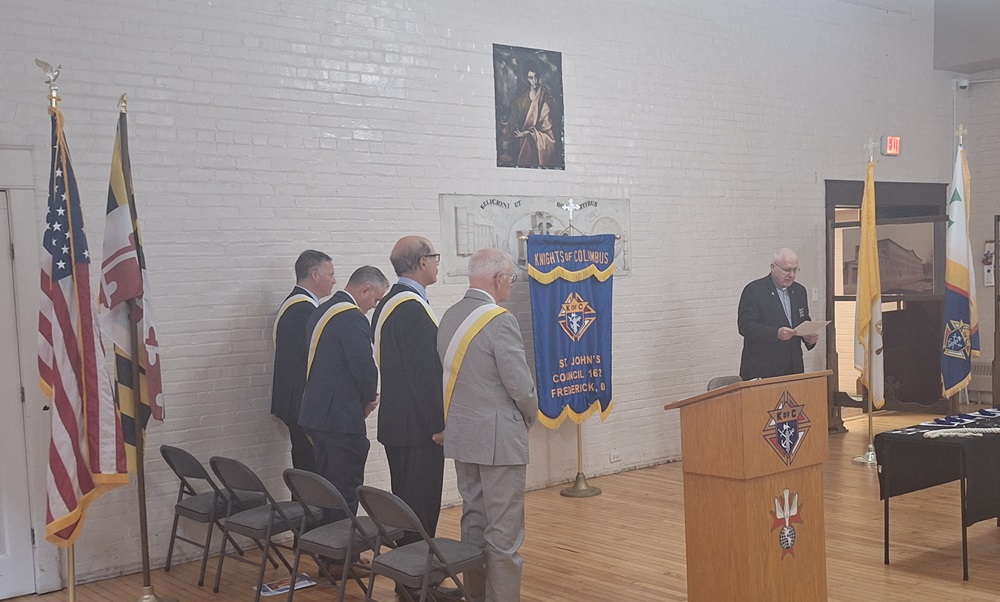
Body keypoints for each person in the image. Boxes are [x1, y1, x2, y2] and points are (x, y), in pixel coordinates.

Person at [437, 248, 538, 602]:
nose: (511, 284)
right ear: (498, 279)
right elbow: (520, 386)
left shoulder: (449, 316)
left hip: (463, 437)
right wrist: (530, 417)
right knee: (504, 534)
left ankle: (476, 595)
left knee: (474, 523)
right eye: (511, 278)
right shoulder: (500, 321)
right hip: (499, 441)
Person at [298, 265, 389, 524]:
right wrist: (369, 398)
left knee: (325, 490)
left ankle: (325, 546)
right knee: (344, 491)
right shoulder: (351, 317)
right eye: (375, 299)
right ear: (365, 289)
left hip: (317, 414)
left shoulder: (322, 310)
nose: (374, 306)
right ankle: (340, 548)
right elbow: (364, 368)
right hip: (340, 419)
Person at [371, 236, 446, 548]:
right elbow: (423, 374)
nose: (438, 263)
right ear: (422, 262)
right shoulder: (411, 309)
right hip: (418, 429)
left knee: (407, 508)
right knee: (421, 510)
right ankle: (418, 573)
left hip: (398, 423)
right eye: (435, 256)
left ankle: (410, 570)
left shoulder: (389, 303)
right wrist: (438, 425)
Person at [270, 250, 335, 473]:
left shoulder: (297, 305)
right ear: (315, 275)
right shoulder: (303, 310)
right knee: (312, 470)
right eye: (330, 274)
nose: (334, 280)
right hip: (304, 404)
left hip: (298, 401)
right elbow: (318, 360)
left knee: (307, 467)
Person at [738, 248, 819, 380]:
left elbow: (803, 321)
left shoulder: (799, 291)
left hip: (793, 367)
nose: (791, 275)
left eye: (795, 270)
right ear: (773, 267)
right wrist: (776, 333)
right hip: (763, 368)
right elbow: (745, 326)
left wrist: (809, 339)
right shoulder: (754, 290)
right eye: (787, 270)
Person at [510, 59, 559, 167]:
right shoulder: (520, 101)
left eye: (536, 77)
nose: (534, 81)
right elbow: (514, 128)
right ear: (527, 79)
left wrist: (530, 133)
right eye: (531, 78)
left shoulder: (546, 98)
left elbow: (549, 131)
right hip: (526, 148)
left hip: (541, 148)